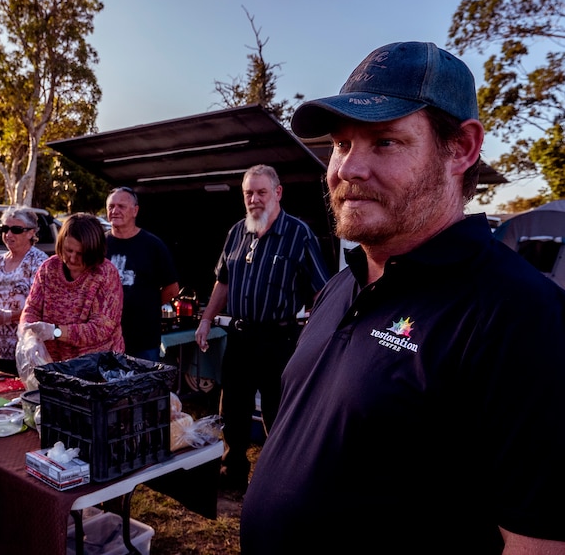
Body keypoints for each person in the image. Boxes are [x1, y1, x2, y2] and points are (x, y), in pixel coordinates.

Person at [240, 41, 565, 554]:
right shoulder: (342, 284)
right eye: (342, 145)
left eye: (385, 142)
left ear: (461, 148)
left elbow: (538, 544)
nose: (348, 169)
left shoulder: (521, 316)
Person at [194, 164, 331, 490]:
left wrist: (318, 335)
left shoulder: (298, 234)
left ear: (278, 193)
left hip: (279, 339)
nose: (254, 199)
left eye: (261, 192)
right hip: (240, 337)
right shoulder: (237, 231)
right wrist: (205, 319)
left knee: (278, 412)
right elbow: (222, 281)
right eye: (248, 193)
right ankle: (233, 474)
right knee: (234, 411)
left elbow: (322, 290)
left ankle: (280, 480)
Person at [22, 213, 124, 361]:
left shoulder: (105, 274)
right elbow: (32, 308)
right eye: (68, 250)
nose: (72, 258)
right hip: (52, 362)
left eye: (80, 254)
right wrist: (29, 333)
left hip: (97, 365)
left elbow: (100, 329)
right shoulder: (49, 268)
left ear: (93, 251)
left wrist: (55, 332)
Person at [105, 186, 179, 361]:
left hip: (143, 339)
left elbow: (172, 288)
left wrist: (148, 306)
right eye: (111, 206)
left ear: (135, 211)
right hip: (105, 337)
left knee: (143, 386)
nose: (115, 211)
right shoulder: (98, 244)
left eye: (121, 206)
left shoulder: (153, 245)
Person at [0, 207, 48, 374]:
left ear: (31, 233)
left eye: (16, 230)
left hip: (27, 347)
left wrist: (6, 316)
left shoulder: (40, 261)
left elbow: (42, 307)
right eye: (4, 229)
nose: (8, 234)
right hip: (0, 346)